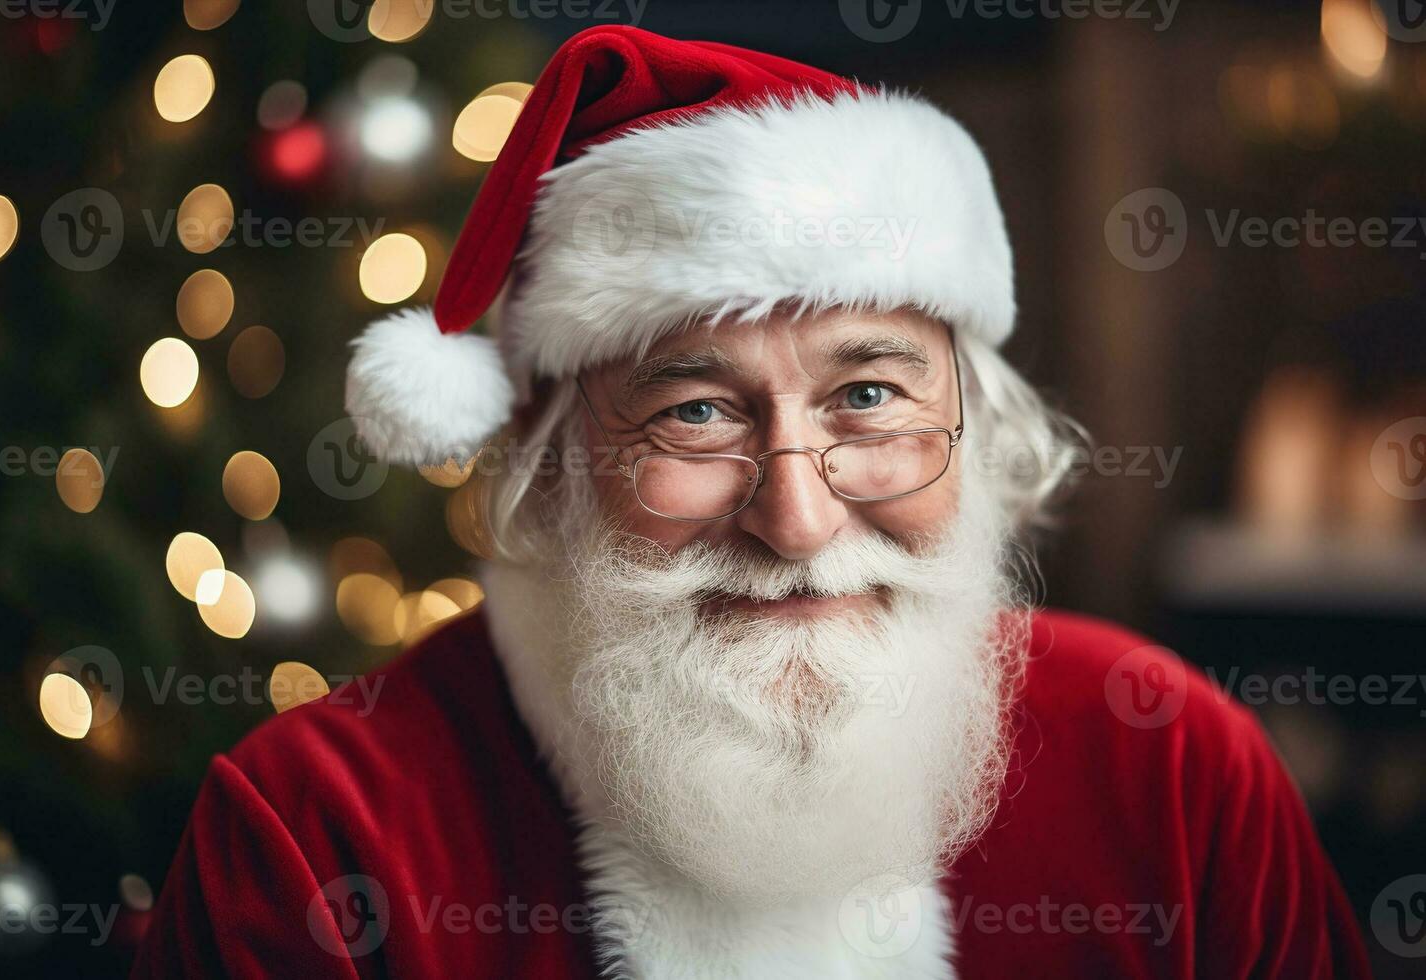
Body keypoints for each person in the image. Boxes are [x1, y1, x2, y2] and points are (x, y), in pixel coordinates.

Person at [132, 25, 1370, 978]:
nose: (797, 520)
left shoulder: (1171, 764)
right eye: (696, 412)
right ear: (554, 459)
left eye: (870, 395)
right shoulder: (314, 828)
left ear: (979, 424)